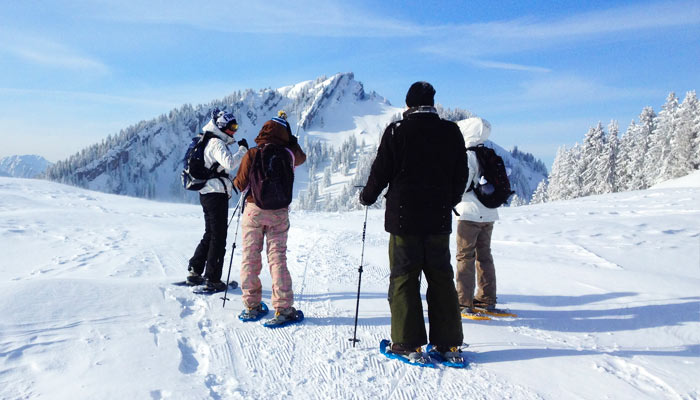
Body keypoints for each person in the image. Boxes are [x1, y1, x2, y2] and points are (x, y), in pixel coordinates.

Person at [359, 82, 468, 362]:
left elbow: (380, 170)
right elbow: (461, 174)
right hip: (438, 219)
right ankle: (448, 344)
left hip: (403, 219)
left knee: (404, 278)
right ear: (432, 103)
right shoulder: (450, 132)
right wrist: (449, 200)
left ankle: (408, 343)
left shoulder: (397, 131)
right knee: (441, 277)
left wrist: (367, 197)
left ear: (408, 105)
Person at [233, 112, 306, 324]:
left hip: (253, 210)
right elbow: (302, 157)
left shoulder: (253, 153)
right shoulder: (288, 154)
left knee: (250, 256)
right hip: (279, 213)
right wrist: (291, 141)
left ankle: (252, 306)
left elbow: (239, 183)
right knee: (277, 258)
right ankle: (283, 308)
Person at [187, 109, 249, 292]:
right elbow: (230, 163)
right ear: (222, 126)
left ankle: (195, 270)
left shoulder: (208, 140)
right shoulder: (216, 143)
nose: (234, 131)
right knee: (218, 237)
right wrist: (243, 151)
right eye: (232, 127)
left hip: (207, 193)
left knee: (210, 233)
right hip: (215, 194)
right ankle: (213, 279)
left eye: (235, 126)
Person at [454, 117, 499, 314]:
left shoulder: (466, 156)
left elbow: (462, 185)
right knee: (485, 256)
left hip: (469, 213)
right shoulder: (489, 153)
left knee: (465, 256)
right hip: (489, 214)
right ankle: (487, 298)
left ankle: (463, 302)